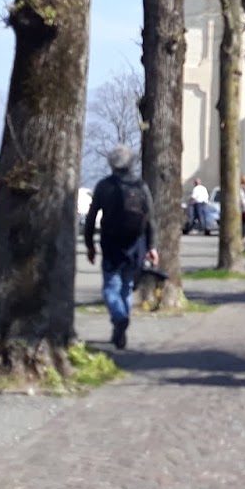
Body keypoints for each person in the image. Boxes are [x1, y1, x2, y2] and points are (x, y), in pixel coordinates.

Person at [83, 145, 159, 350]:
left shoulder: (103, 186)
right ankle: (121, 325)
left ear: (111, 164)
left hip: (111, 243)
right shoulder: (141, 186)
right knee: (126, 286)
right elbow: (150, 219)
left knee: (110, 286)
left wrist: (89, 245)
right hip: (136, 245)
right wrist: (152, 246)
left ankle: (119, 317)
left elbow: (91, 218)